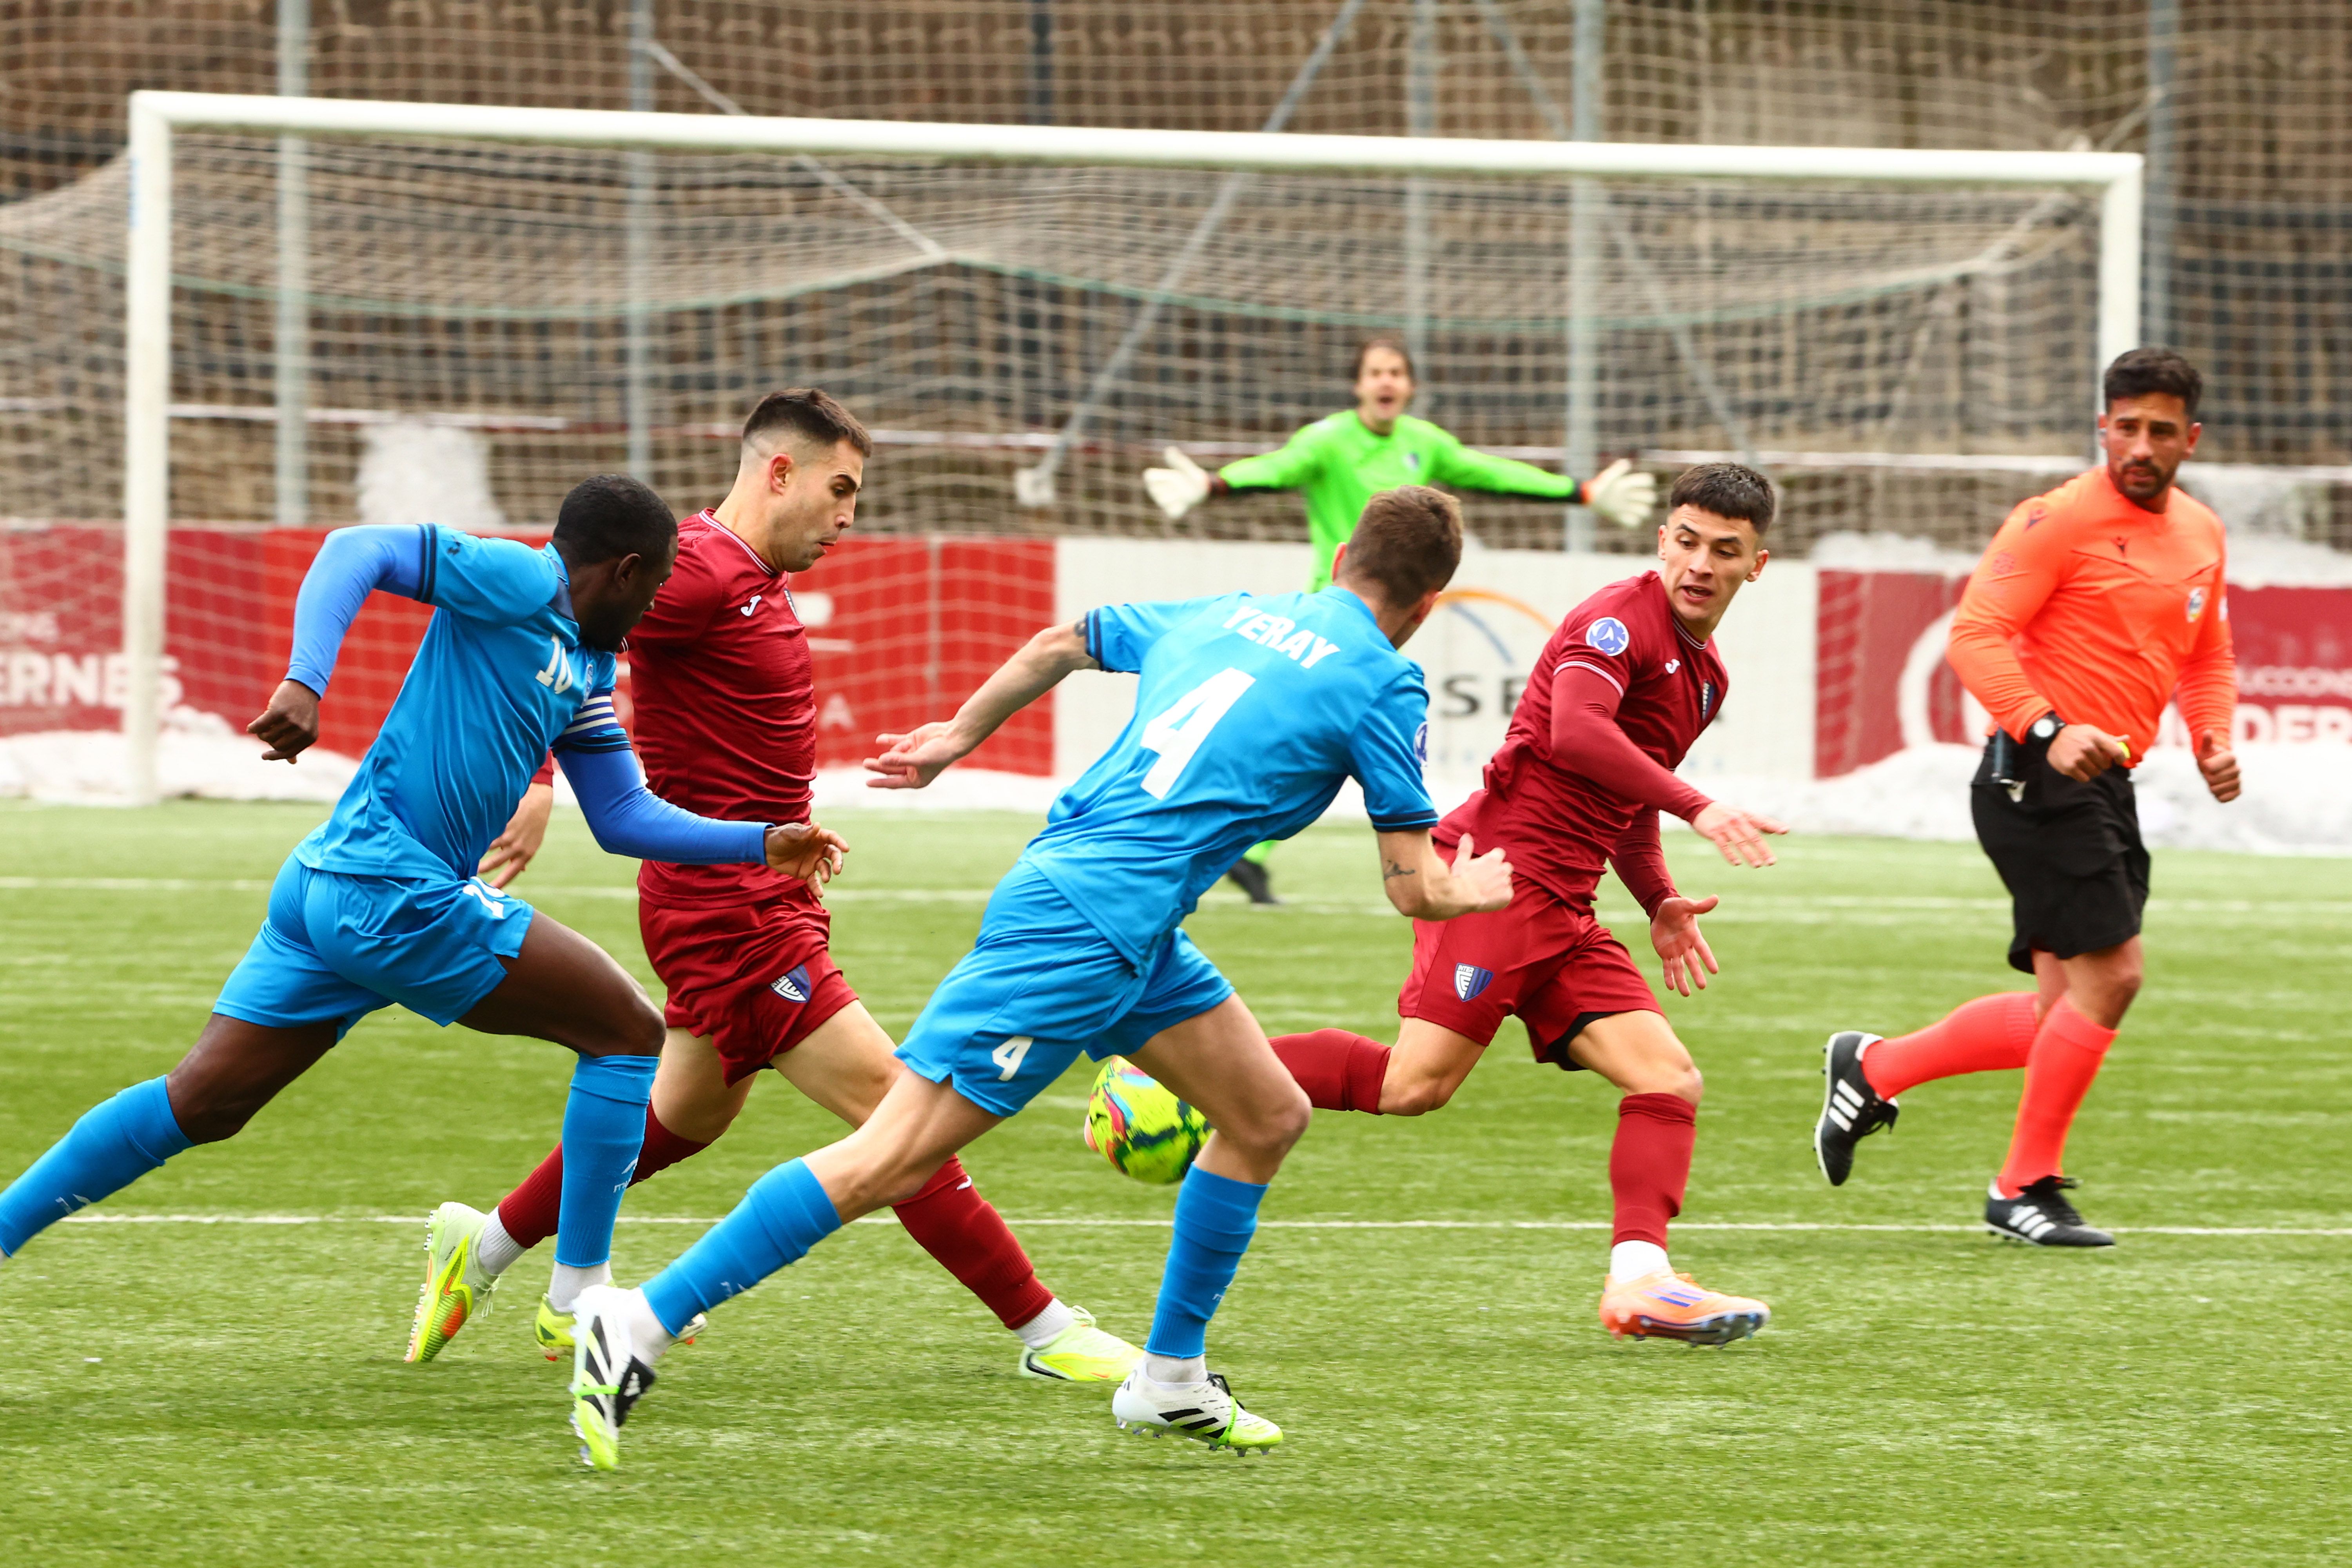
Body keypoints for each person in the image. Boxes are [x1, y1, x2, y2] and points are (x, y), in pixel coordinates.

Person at [558, 485, 1512, 1468]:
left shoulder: (1231, 610)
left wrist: (955, 741)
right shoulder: (1384, 683)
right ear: (1428, 605)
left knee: (1268, 1113)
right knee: (890, 1157)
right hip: (1082, 930)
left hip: (1124, 925)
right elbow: (1413, 889)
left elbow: (1062, 640)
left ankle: (1169, 1381)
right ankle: (639, 1320)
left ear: (1343, 551)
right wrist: (1469, 885)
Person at [407, 390, 1141, 1383]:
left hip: (755, 892)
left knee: (684, 1118)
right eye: (839, 490)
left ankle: (485, 1243)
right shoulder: (701, 570)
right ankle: (1046, 1331)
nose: (849, 516)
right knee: (899, 1114)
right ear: (778, 472)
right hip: (727, 911)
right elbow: (568, 618)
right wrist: (539, 778)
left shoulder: (747, 573)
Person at [0, 475, 846, 1318]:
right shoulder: (524, 581)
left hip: (328, 888)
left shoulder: (588, 667)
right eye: (657, 584)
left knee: (204, 1102)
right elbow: (354, 548)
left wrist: (761, 841)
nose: (657, 604)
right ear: (625, 570)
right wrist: (306, 680)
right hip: (394, 890)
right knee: (628, 1031)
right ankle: (578, 1296)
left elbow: (623, 815)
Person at [1256, 463, 1786, 1345]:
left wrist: (1657, 897)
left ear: (1755, 566)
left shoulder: (1706, 676)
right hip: (1498, 876)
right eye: (1686, 540)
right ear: (1662, 539)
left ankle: (1640, 1282)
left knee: (1668, 1078)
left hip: (1565, 899)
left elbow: (1621, 799)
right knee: (1412, 1084)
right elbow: (1580, 731)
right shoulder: (1616, 621)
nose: (1698, 562)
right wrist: (1700, 804)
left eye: (1723, 550)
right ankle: (1190, 1075)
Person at [1813, 348, 2239, 1246]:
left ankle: (1874, 1066)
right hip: (2033, 775)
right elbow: (1977, 635)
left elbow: (2205, 651)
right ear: (2103, 427)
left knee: (2062, 1010)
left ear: (2190, 439)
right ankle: (2022, 1186)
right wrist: (2050, 726)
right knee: (2115, 975)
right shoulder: (2055, 519)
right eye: (2126, 426)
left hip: (2106, 781)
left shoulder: (2202, 531)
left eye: (2161, 430)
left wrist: (2212, 733)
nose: (2141, 445)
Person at [1143, 336, 1656, 904]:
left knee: (1318, 744)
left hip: (1382, 629)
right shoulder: (1329, 440)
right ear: (1359, 385)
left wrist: (1578, 492)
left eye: (1395, 373)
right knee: (1339, 740)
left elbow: (1491, 473)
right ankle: (1388, 868)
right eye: (1375, 372)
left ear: (1409, 387)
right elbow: (1278, 468)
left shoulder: (1424, 443)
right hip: (1329, 621)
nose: (1386, 382)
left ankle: (1247, 850)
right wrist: (1216, 484)